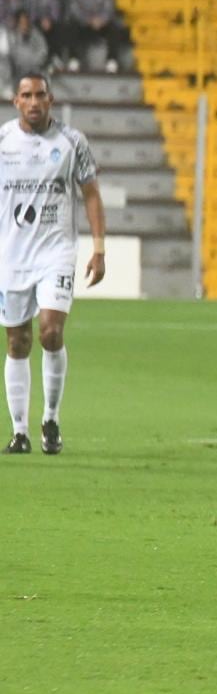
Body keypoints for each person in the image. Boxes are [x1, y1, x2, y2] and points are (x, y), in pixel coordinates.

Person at [0, 72, 106, 455]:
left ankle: (51, 419)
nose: (34, 102)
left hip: (56, 252)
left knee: (49, 333)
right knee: (16, 341)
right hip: (11, 255)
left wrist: (98, 247)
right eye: (26, 95)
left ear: (51, 99)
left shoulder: (72, 142)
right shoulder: (4, 141)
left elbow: (91, 194)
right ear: (16, 101)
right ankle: (19, 432)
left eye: (40, 95)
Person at [66, 0, 126, 73]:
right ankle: (73, 60)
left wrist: (101, 20)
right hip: (85, 24)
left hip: (102, 24)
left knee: (115, 29)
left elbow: (109, 9)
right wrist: (89, 20)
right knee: (71, 27)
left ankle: (112, 61)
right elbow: (74, 12)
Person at [23, 0, 64, 67]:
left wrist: (49, 19)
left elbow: (56, 12)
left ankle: (53, 57)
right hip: (30, 22)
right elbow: (25, 9)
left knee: (53, 27)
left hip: (47, 24)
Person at [9, 10, 46, 76]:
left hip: (36, 69)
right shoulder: (13, 35)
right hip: (19, 71)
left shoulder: (36, 34)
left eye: (25, 20)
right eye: (21, 21)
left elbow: (43, 50)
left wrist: (35, 62)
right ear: (17, 22)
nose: (24, 23)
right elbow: (13, 54)